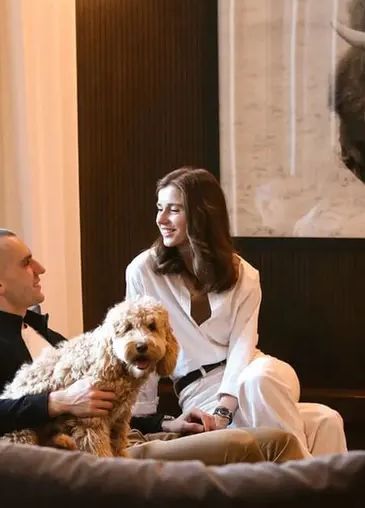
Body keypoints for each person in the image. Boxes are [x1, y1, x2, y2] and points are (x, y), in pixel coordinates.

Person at [0, 227, 308, 465]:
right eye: (27, 263)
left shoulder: (49, 337)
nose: (40, 267)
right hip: (96, 457)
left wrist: (170, 423)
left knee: (273, 440)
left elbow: (112, 401)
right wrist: (57, 401)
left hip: (126, 439)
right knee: (267, 445)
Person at [126, 167, 348, 458]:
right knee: (325, 420)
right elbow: (143, 346)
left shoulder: (244, 274)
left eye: (173, 209)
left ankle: (295, 487)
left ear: (201, 214)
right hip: (199, 390)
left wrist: (224, 411)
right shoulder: (144, 271)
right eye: (159, 208)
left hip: (255, 372)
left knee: (258, 379)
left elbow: (243, 347)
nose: (161, 219)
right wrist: (143, 418)